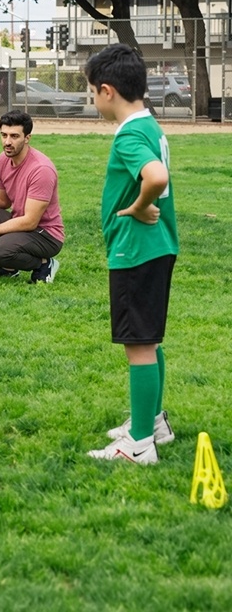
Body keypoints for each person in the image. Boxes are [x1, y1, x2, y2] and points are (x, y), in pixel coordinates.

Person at [85, 43, 178, 464]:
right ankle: (153, 421)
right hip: (158, 248)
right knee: (150, 339)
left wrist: (139, 207)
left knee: (137, 344)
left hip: (135, 250)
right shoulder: (151, 126)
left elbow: (155, 176)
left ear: (107, 91)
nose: (92, 100)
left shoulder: (128, 135)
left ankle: (139, 444)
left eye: (90, 92)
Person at [0, 109, 64, 284]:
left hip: (45, 234)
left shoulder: (41, 170)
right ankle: (7, 269)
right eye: (3, 135)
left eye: (14, 136)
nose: (7, 142)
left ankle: (44, 263)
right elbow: (4, 201)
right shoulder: (2, 160)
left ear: (27, 138)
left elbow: (30, 221)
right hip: (21, 224)